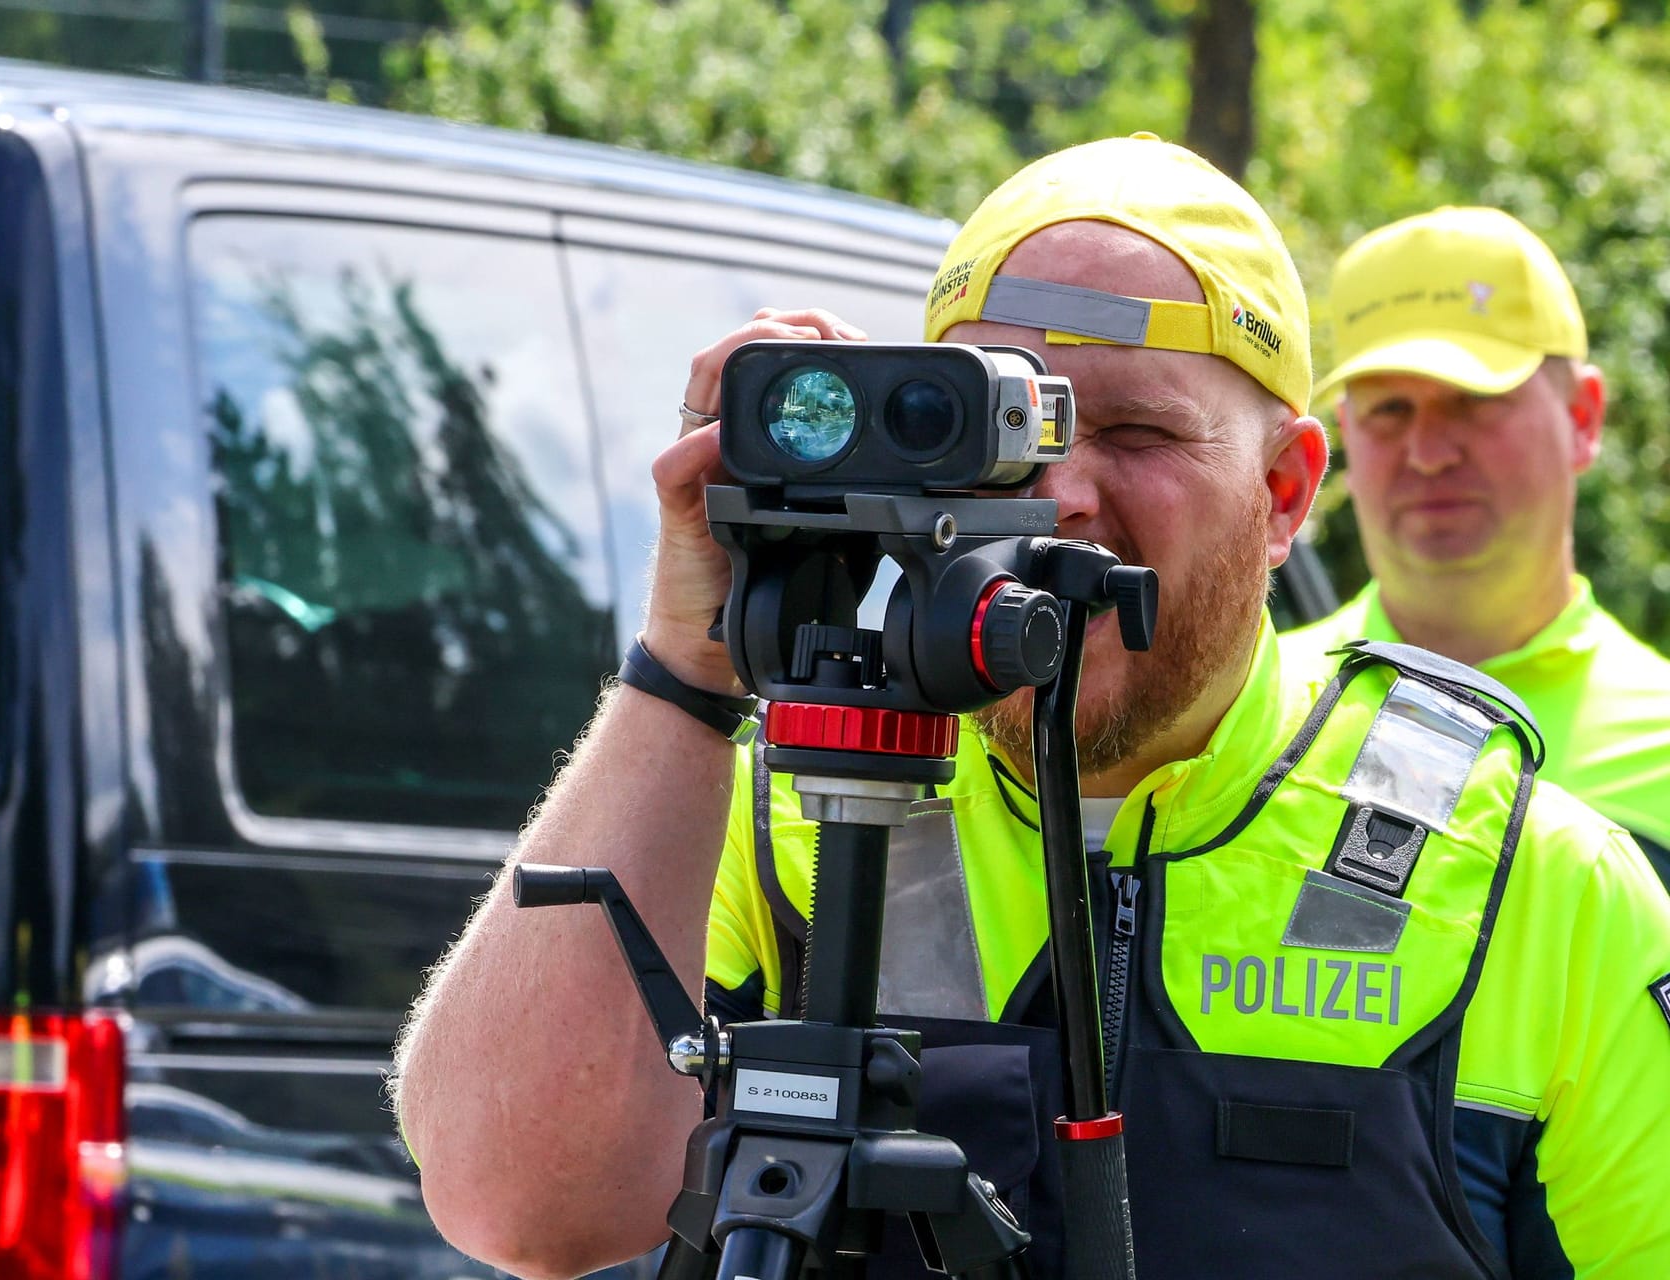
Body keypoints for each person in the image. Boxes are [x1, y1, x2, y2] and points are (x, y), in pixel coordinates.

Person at [392, 137, 1670, 1279]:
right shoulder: (797, 799)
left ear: (1285, 494)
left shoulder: (1534, 884)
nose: (1060, 491)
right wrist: (689, 659)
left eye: (1136, 432)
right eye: (1005, 422)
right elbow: (516, 1202)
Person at [1283, 207, 1670, 884]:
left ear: (1582, 418)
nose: (1429, 453)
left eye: (1473, 401)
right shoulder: (1250, 712)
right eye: (1390, 411)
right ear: (1342, 433)